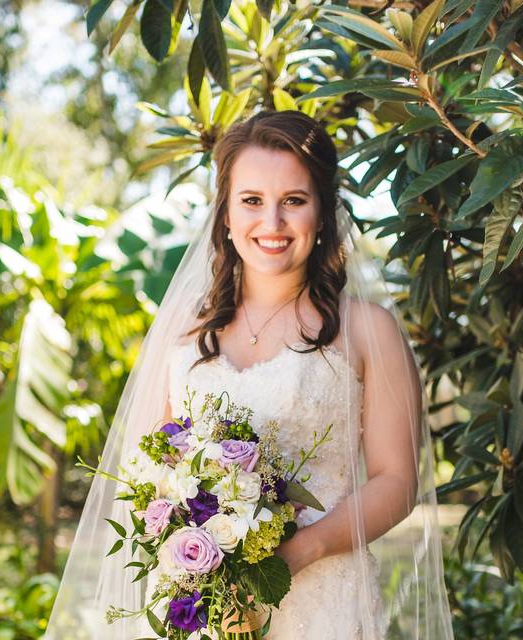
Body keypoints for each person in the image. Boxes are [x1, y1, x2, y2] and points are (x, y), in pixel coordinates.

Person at [45, 110, 454, 639]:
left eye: (295, 201)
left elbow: (397, 483)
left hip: (323, 600)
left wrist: (294, 555)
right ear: (227, 216)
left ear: (323, 214)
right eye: (253, 201)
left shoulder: (368, 332)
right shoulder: (183, 336)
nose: (273, 224)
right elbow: (152, 473)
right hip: (201, 607)